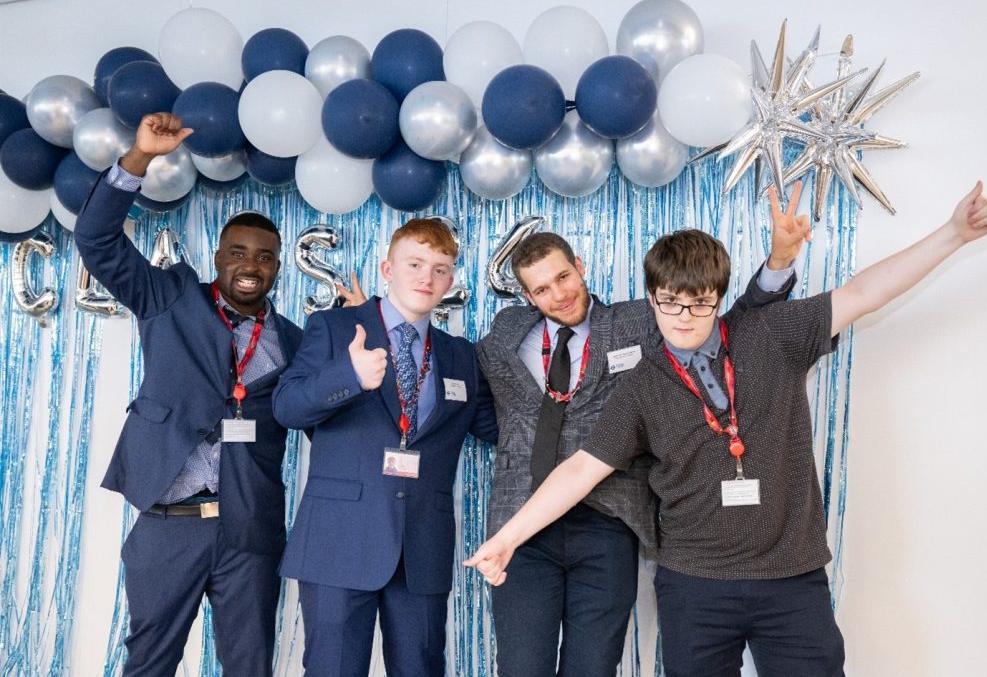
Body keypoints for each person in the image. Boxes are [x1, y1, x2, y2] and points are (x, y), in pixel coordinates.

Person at [467, 182, 987, 677]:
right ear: (650, 297)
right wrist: (508, 538)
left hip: (791, 577)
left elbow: (864, 293)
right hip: (694, 583)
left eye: (699, 302)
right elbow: (583, 467)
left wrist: (953, 233)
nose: (683, 317)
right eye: (669, 303)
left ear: (719, 296)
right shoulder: (641, 384)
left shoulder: (771, 333)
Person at [474, 184, 808, 677]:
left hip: (609, 520)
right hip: (522, 522)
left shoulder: (638, 321)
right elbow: (483, 404)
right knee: (521, 666)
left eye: (564, 276)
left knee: (593, 667)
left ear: (580, 265)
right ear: (527, 295)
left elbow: (729, 324)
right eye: (542, 288)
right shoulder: (504, 334)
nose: (559, 293)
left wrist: (777, 266)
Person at [74, 112, 304, 676]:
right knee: (149, 663)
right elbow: (96, 238)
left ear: (276, 266)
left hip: (248, 530)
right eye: (239, 252)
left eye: (265, 256)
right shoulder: (169, 296)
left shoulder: (295, 341)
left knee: (249, 667)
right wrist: (139, 159)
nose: (251, 265)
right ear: (220, 256)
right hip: (166, 521)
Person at [272, 218, 498, 677]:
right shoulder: (335, 328)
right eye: (414, 263)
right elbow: (287, 409)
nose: (426, 277)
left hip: (422, 549)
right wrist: (348, 377)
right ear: (386, 268)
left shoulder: (460, 355)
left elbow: (498, 429)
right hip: (339, 542)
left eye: (440, 269)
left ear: (451, 280)